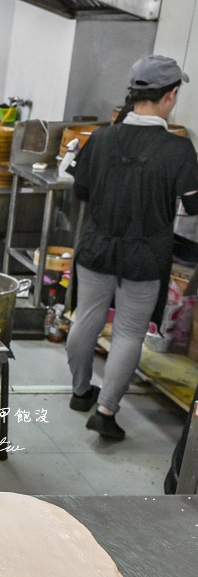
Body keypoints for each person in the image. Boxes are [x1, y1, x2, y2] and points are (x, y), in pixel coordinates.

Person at [67, 55, 198, 440]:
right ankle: (105, 412)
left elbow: (82, 191)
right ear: (171, 96)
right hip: (144, 255)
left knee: (86, 317)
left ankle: (79, 393)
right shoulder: (179, 149)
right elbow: (194, 205)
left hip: (97, 247)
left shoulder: (102, 137)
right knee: (127, 334)